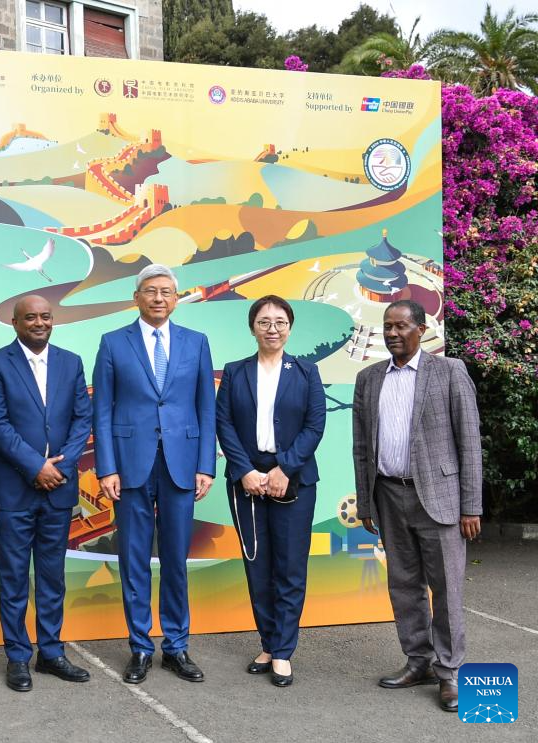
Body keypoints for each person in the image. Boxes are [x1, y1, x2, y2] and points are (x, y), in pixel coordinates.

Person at [353, 299, 482, 713]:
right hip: (389, 496)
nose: (392, 333)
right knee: (404, 586)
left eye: (401, 326)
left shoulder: (449, 372)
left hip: (440, 499)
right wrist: (366, 502)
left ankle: (449, 672)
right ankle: (418, 661)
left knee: (446, 588)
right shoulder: (368, 378)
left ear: (422, 329)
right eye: (387, 326)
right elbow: (361, 448)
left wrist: (471, 506)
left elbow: (469, 442)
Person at [92, 263, 216, 684]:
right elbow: (102, 411)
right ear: (137, 297)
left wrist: (206, 465)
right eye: (150, 290)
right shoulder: (113, 343)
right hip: (130, 465)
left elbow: (206, 408)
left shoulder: (196, 342)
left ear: (176, 298)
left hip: (181, 464)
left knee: (176, 559)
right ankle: (141, 647)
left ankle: (176, 646)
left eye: (166, 291)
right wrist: (107, 467)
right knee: (134, 560)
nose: (159, 297)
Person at [0, 295, 93, 692]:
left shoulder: (71, 362)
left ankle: (50, 652)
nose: (40, 323)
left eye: (46, 316)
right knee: (13, 578)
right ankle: (17, 657)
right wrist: (35, 466)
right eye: (31, 317)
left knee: (52, 577)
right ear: (15, 323)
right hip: (15, 490)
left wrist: (60, 467)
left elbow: (83, 418)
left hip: (59, 489)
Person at [215, 296, 326, 688]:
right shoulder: (235, 372)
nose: (272, 328)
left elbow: (314, 426)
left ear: (290, 328)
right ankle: (268, 642)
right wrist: (245, 470)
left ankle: (282, 651)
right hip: (246, 481)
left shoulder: (307, 372)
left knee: (290, 567)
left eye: (280, 321)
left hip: (293, 480)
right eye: (264, 321)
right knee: (257, 565)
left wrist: (284, 468)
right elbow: (224, 423)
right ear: (253, 328)